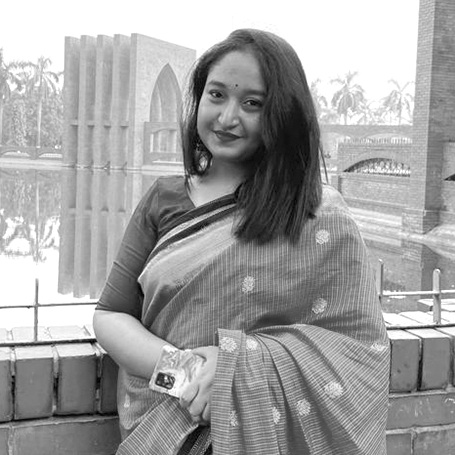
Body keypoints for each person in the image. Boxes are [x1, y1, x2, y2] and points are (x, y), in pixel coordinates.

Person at [94, 28, 390, 455]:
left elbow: (357, 349)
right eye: (216, 95)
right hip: (166, 423)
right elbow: (111, 315)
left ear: (283, 114)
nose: (228, 117)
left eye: (253, 103)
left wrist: (235, 375)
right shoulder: (164, 199)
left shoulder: (317, 214)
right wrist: (189, 377)